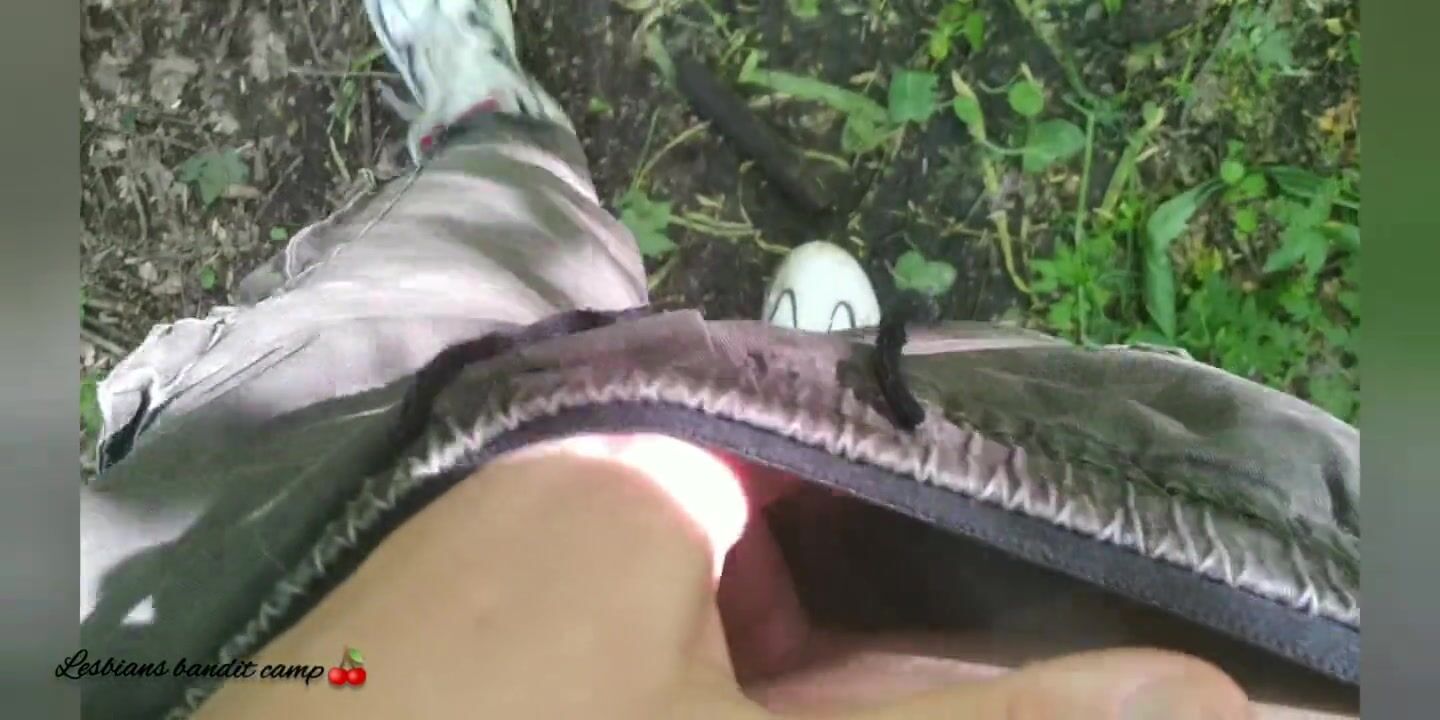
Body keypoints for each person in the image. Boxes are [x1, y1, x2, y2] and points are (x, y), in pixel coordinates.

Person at [80, 1, 1359, 718]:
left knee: (449, 281)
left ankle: (499, 141)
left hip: (247, 565)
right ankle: (820, 376)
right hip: (1266, 565)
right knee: (937, 425)